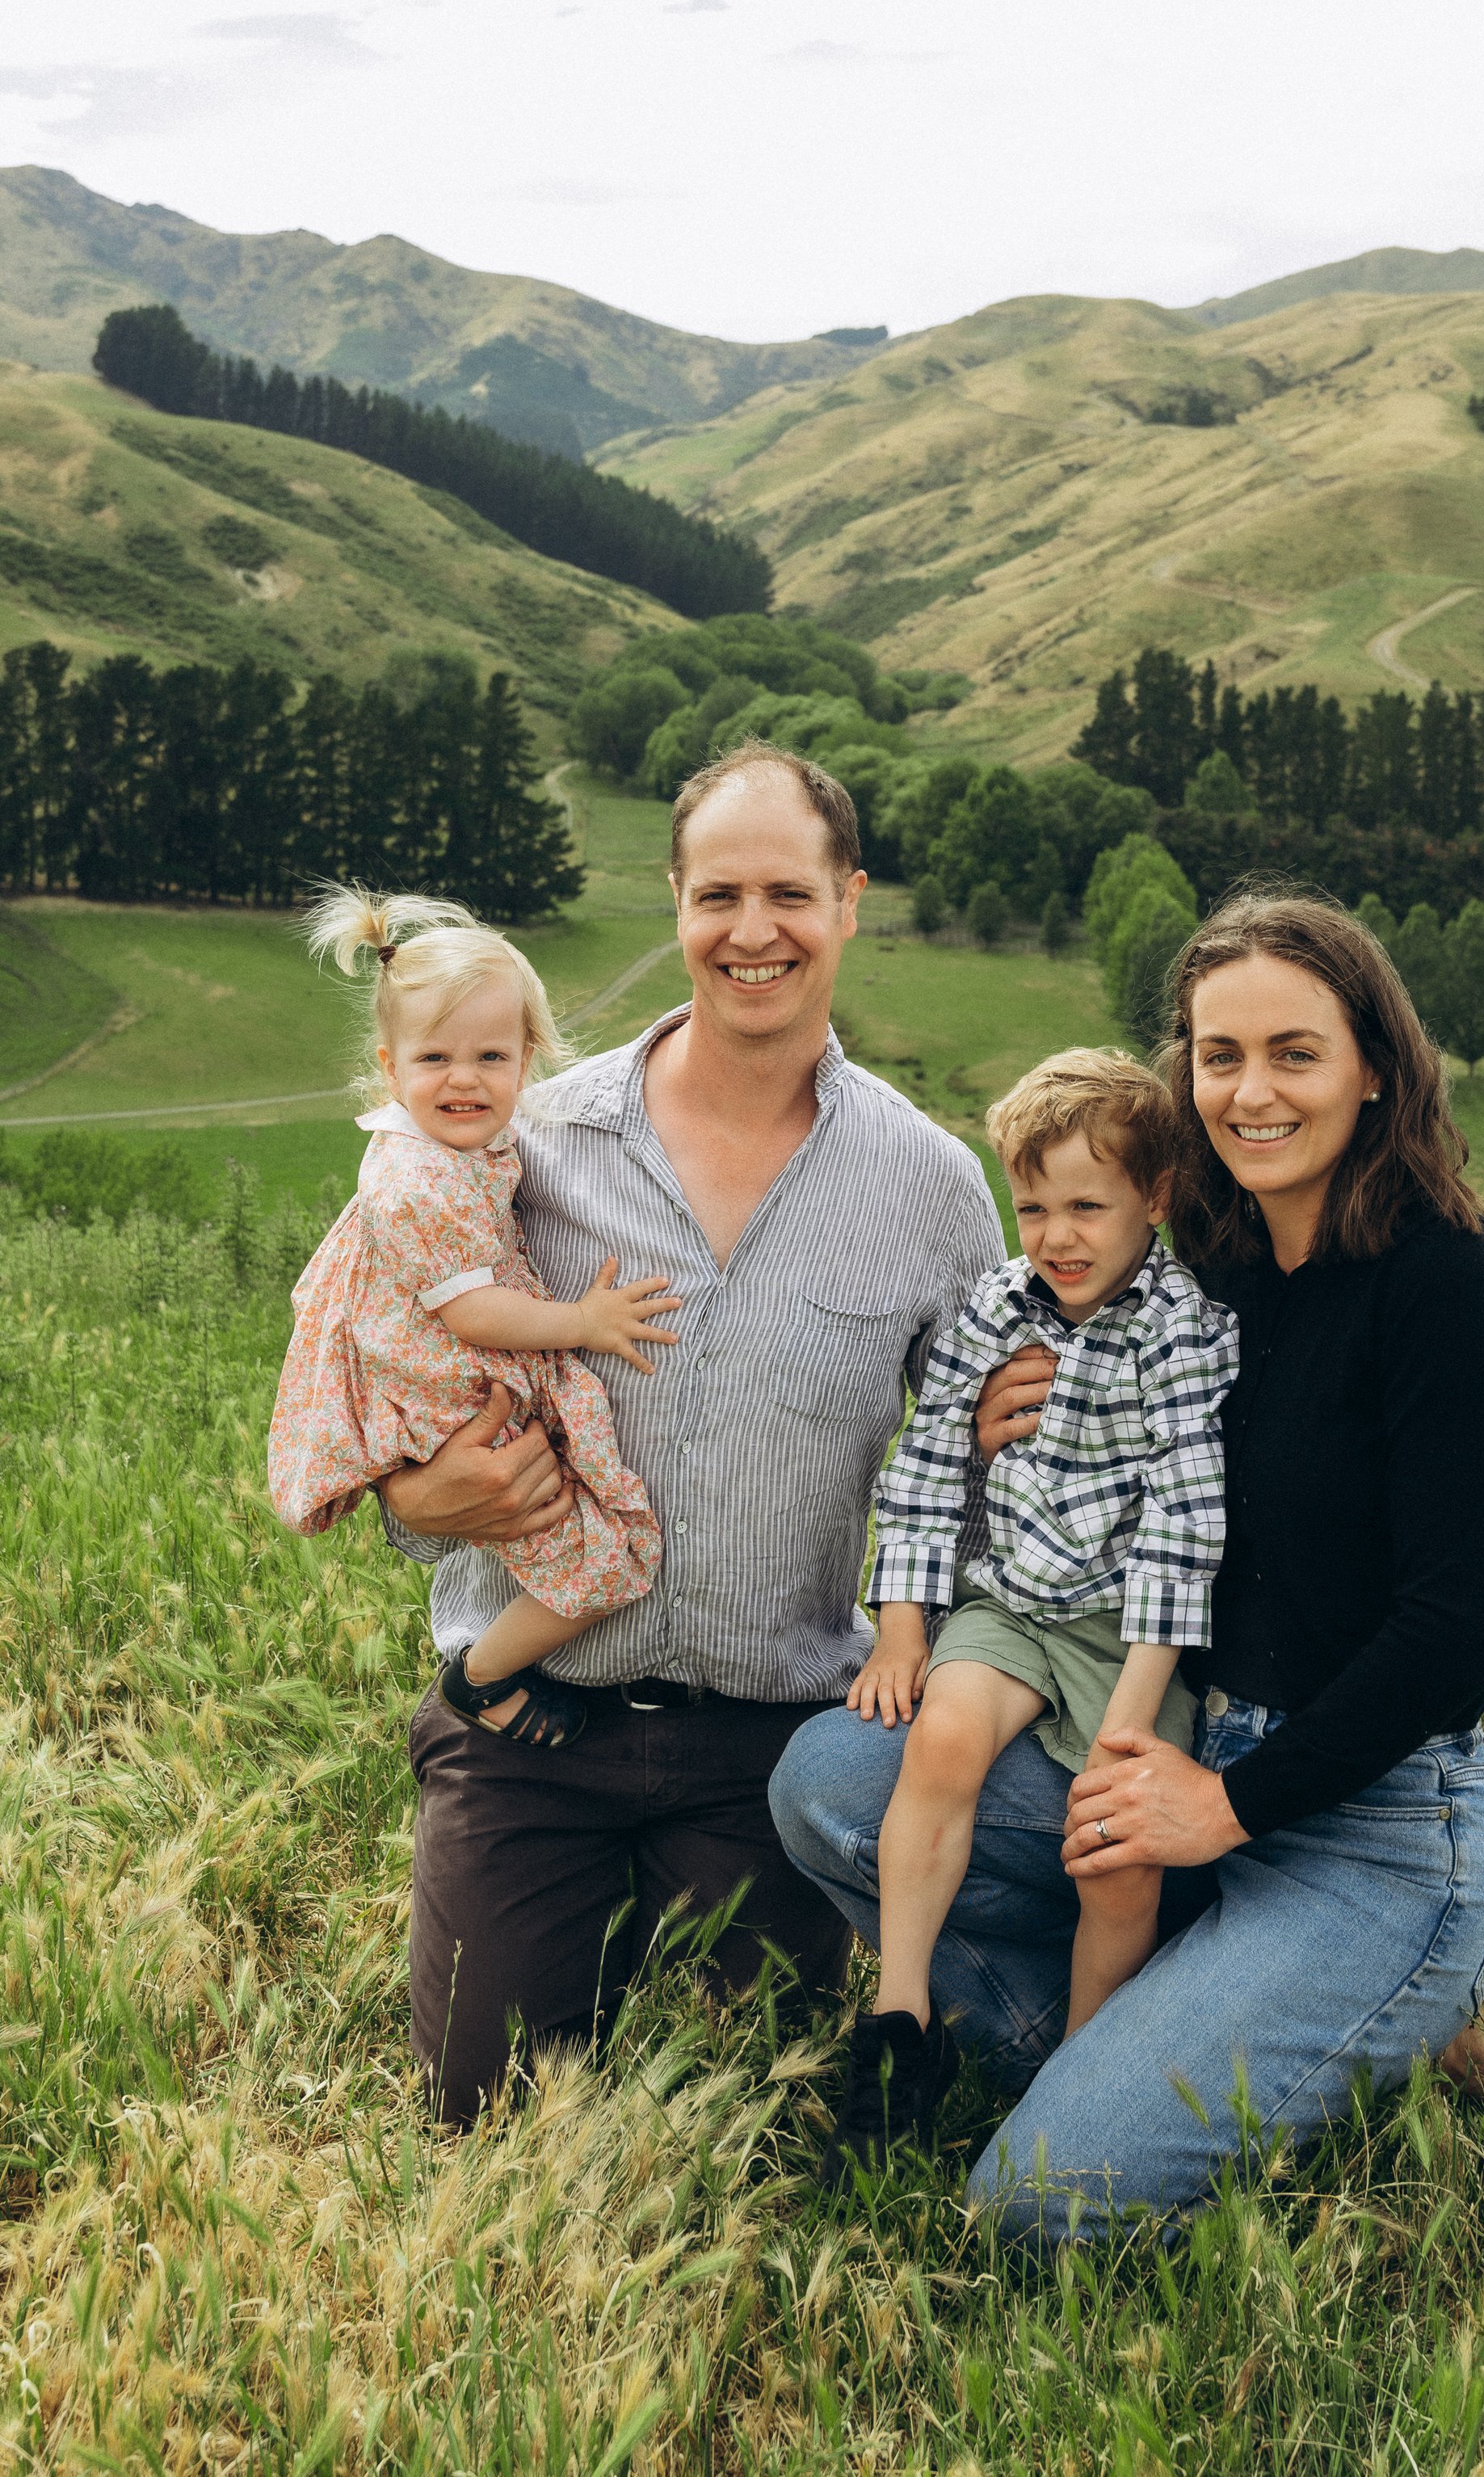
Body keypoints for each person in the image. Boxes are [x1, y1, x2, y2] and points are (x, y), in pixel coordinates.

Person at [771, 886, 1484, 2238]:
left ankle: (1389, 2008)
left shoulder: (1452, 1283)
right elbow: (1120, 1477)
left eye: (1294, 1053)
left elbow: (1461, 1631)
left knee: (1039, 2207)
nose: (1252, 1090)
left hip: (1368, 1833)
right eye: (1218, 1055)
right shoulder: (1214, 1268)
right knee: (830, 1784)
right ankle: (1186, 2019)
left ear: (1376, 1067)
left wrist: (1231, 1807)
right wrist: (1001, 1433)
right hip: (1171, 1745)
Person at [373, 744, 1005, 2125]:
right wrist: (424, 1496)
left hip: (773, 1747)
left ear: (850, 901)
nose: (753, 930)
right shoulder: (518, 1142)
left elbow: (969, 1482)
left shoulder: (932, 1189)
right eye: (720, 893)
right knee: (479, 2118)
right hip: (531, 1723)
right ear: (675, 902)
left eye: (790, 891)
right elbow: (387, 1369)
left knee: (758, 2118)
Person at [828, 1050, 1237, 2172]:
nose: (1057, 1235)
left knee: (1116, 1847)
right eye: (1034, 1205)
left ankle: (1084, 2073)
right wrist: (905, 1621)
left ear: (1154, 1199)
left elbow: (1183, 1528)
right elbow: (919, 1467)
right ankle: (900, 2021)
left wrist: (1136, 1718)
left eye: (1088, 1206)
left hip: (1124, 1629)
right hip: (1010, 1598)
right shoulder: (997, 1306)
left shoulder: (1184, 1331)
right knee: (943, 1736)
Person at [268, 887, 671, 1746]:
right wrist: (585, 1322)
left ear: (527, 1059)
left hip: (456, 1382)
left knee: (591, 1542)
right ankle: (481, 1678)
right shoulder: (418, 1181)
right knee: (605, 1564)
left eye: (490, 1056)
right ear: (390, 1066)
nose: (463, 1079)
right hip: (453, 1400)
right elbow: (478, 1312)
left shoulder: (459, 1150)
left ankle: (504, 1667)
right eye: (434, 1059)